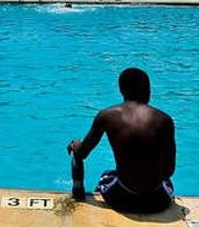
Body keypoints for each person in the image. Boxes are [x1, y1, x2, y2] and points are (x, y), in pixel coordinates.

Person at [67, 68, 176, 214]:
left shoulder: (106, 116)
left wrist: (76, 147)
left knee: (106, 176)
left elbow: (81, 153)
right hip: (156, 202)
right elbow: (169, 170)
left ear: (121, 90)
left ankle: (78, 192)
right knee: (166, 183)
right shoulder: (164, 120)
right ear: (148, 90)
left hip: (121, 199)